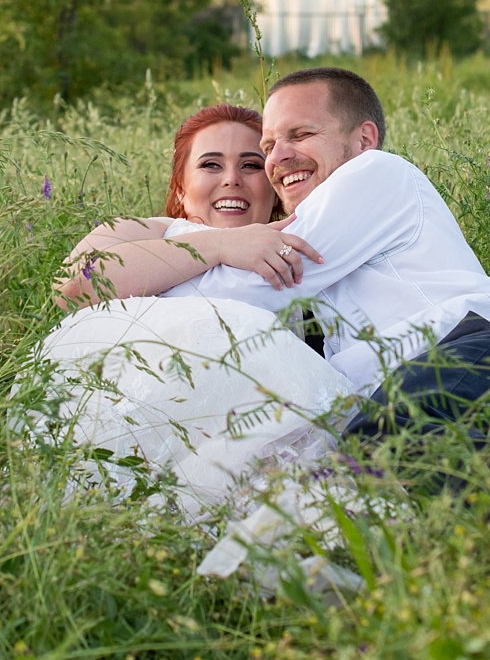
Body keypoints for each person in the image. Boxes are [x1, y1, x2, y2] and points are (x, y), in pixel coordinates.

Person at [163, 68, 490, 444]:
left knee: (392, 438)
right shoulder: (315, 227)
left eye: (301, 135)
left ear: (364, 139)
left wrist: (161, 254)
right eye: (269, 145)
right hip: (431, 379)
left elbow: (243, 292)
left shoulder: (374, 173)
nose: (278, 157)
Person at [31, 105, 355, 520]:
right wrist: (219, 245)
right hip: (131, 427)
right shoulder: (149, 230)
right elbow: (77, 285)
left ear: (274, 186)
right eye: (210, 164)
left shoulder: (301, 251)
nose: (231, 178)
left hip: (242, 446)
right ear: (181, 188)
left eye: (251, 165)